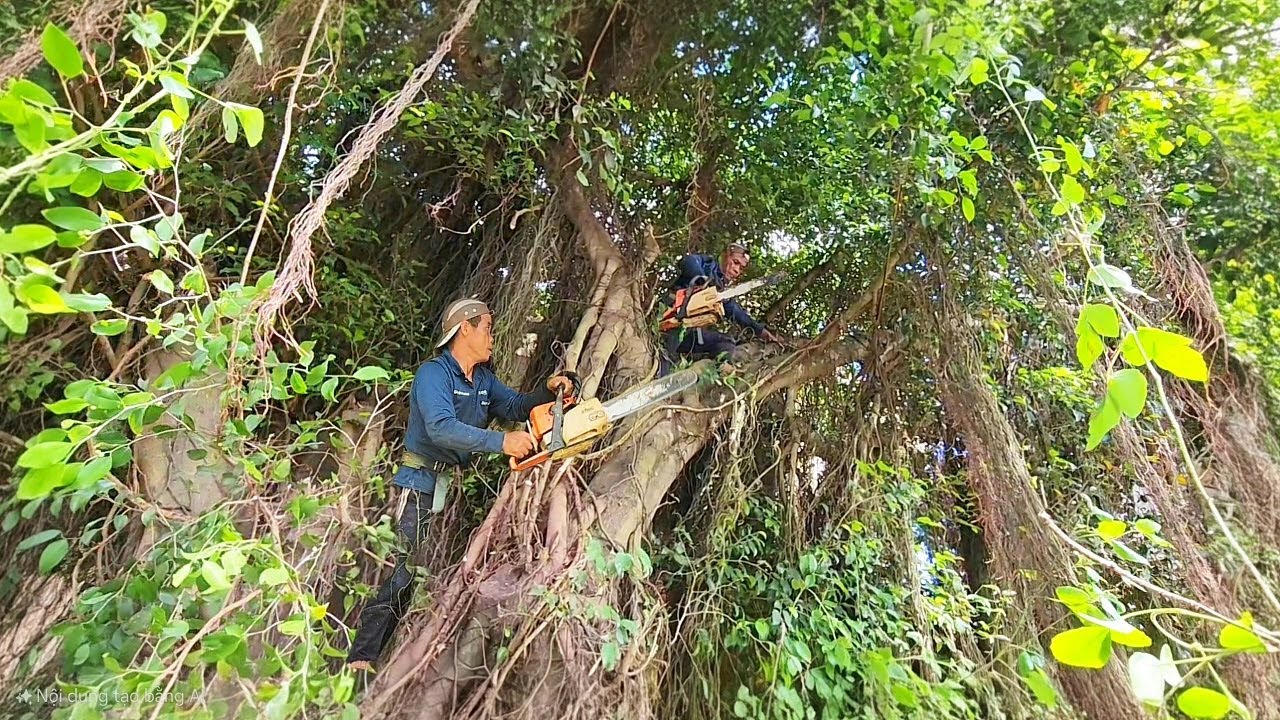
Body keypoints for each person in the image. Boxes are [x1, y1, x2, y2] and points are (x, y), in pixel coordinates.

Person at [346, 298, 575, 671]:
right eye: (486, 327)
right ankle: (362, 657)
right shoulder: (434, 375)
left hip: (446, 489)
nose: (491, 336)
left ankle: (396, 652)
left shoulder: (482, 380)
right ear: (465, 328)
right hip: (418, 482)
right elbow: (441, 427)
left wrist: (549, 390)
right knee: (400, 568)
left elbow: (516, 406)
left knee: (425, 572)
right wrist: (502, 442)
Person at [658, 243, 782, 375]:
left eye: (740, 268)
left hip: (691, 334)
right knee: (667, 354)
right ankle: (659, 381)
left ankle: (718, 372)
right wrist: (704, 282)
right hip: (672, 321)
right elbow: (688, 261)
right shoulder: (708, 265)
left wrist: (759, 330)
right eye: (735, 263)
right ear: (725, 256)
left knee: (725, 342)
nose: (736, 270)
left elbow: (736, 312)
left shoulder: (721, 291)